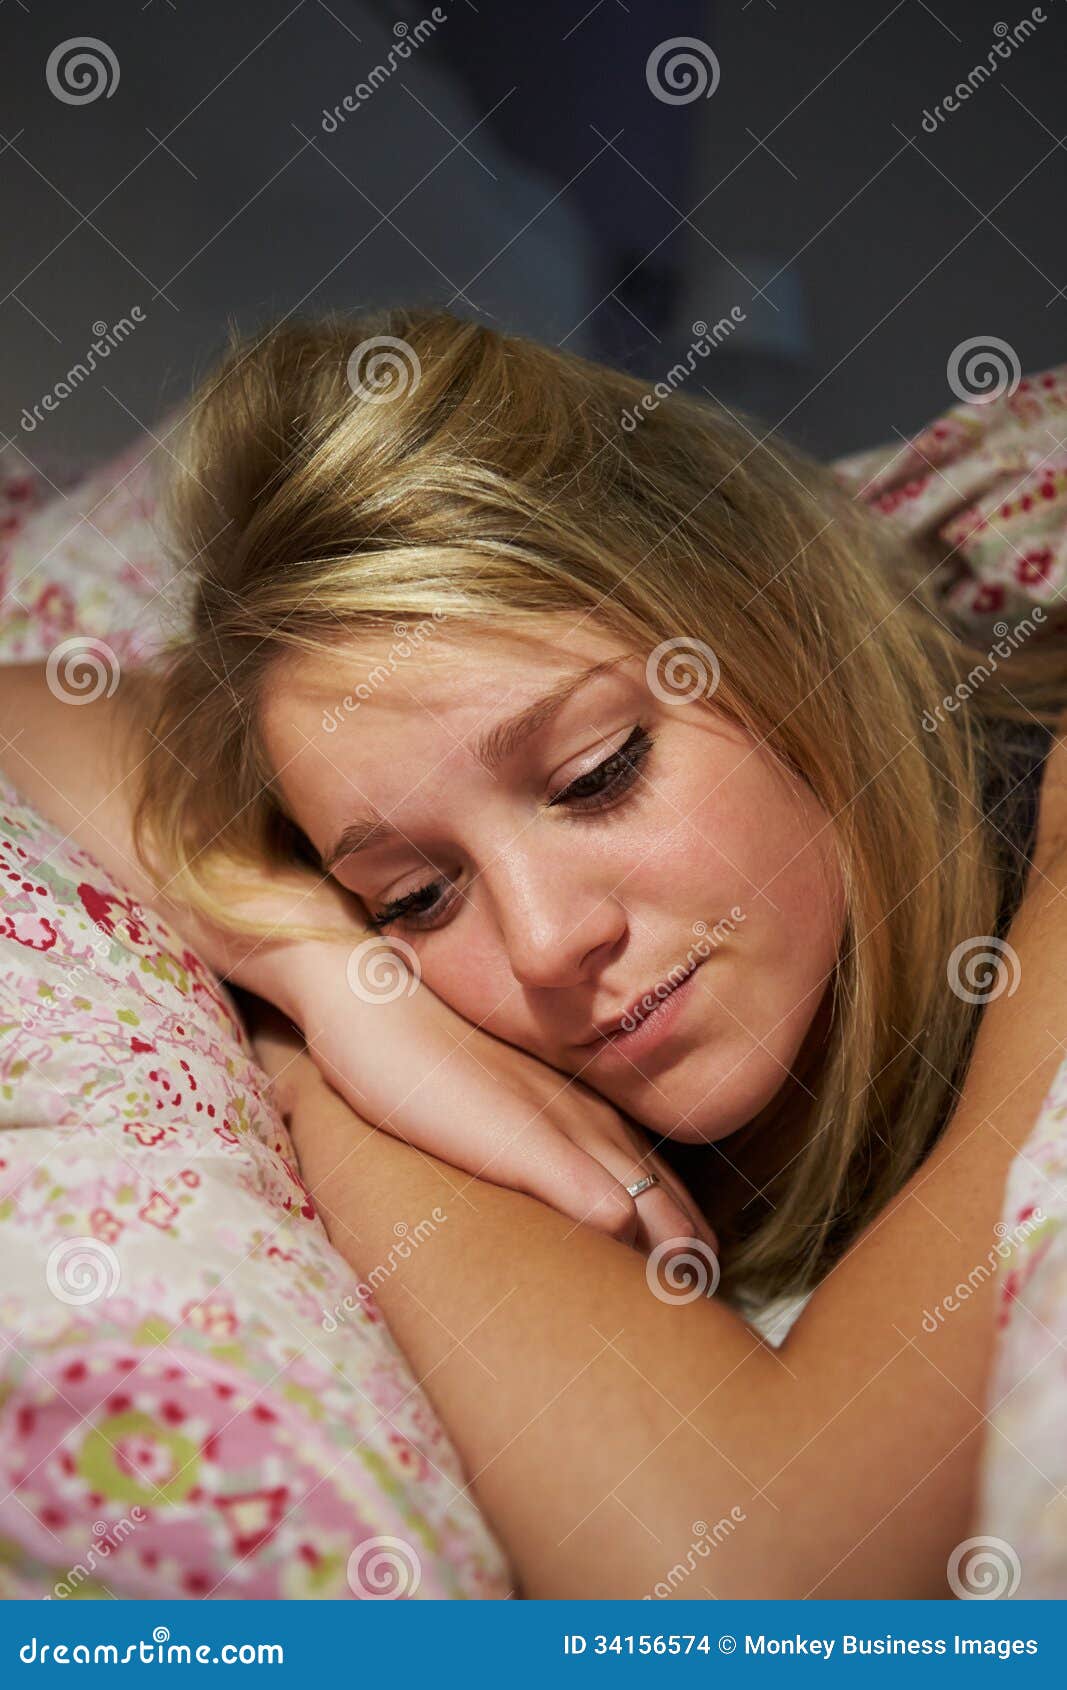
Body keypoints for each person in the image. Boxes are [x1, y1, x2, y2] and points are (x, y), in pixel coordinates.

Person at [2, 309, 1067, 1598]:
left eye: (596, 774)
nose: (550, 943)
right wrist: (339, 985)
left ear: (777, 621)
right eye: (419, 892)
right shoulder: (407, 948)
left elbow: (759, 1592)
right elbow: (39, 711)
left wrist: (308, 1085)